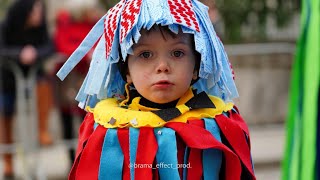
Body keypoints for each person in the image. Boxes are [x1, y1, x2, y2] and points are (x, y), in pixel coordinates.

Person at [57, 0, 256, 179]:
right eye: (145, 54)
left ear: (196, 66)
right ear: (126, 71)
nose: (162, 66)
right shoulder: (105, 130)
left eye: (177, 53)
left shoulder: (221, 125)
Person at [0, 0, 54, 178]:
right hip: (7, 80)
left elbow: (50, 47)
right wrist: (20, 54)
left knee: (44, 86)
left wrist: (35, 53)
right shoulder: (6, 26)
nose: (39, 15)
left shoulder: (40, 28)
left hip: (33, 77)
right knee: (4, 117)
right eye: (35, 11)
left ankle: (42, 131)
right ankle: (8, 162)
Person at [53, 6, 103, 166]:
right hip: (69, 79)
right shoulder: (65, 22)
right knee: (67, 119)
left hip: (87, 78)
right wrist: (85, 54)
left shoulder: (94, 23)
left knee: (88, 119)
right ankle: (71, 159)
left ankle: (87, 157)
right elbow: (62, 45)